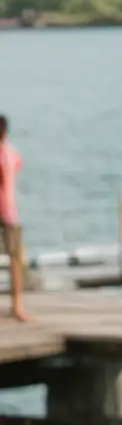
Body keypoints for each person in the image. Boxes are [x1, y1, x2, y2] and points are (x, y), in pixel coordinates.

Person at [0, 116, 28, 322]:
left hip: (5, 210)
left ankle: (17, 306)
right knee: (16, 259)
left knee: (15, 258)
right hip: (9, 210)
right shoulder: (11, 153)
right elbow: (18, 165)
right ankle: (17, 306)